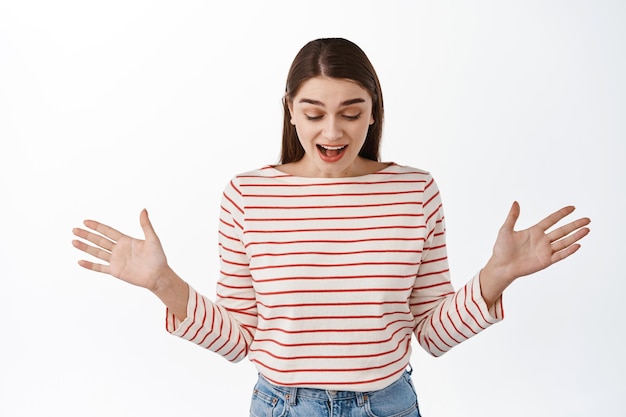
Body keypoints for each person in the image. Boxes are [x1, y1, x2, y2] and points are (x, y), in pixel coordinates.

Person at [72, 38, 591, 417]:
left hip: (388, 406)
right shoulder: (247, 195)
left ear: (373, 114)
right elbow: (239, 340)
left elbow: (431, 332)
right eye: (314, 112)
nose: (333, 131)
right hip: (282, 406)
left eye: (351, 112)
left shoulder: (415, 191)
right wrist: (164, 283)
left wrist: (497, 276)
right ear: (290, 113)